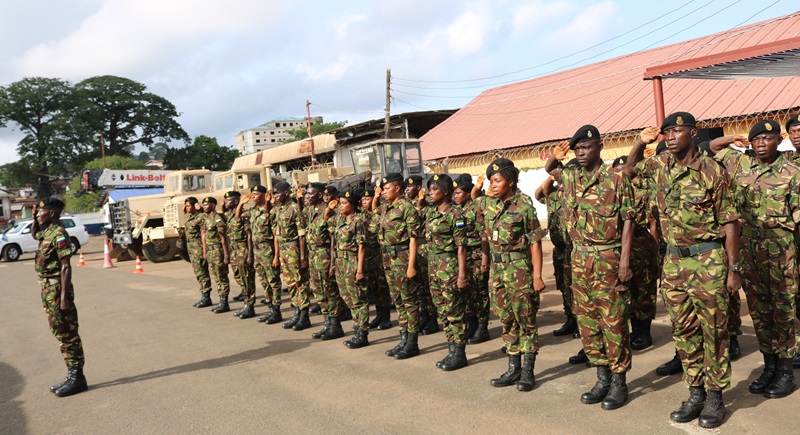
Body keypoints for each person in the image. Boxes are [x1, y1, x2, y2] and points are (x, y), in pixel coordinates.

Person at [628, 112, 739, 428]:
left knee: (714, 329)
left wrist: (733, 269)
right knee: (684, 330)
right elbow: (629, 170)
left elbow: (730, 222)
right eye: (666, 133)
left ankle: (716, 397)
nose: (670, 136)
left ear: (693, 133)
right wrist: (640, 142)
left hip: (709, 259)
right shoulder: (659, 165)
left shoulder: (712, 172)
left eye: (676, 131)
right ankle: (695, 393)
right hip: (675, 261)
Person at [545, 126, 635, 409]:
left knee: (613, 321)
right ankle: (601, 377)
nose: (581, 154)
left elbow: (629, 222)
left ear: (600, 147)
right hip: (579, 259)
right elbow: (550, 169)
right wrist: (554, 156)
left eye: (586, 148)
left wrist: (624, 262)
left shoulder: (615, 179)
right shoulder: (570, 177)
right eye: (577, 150)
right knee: (587, 321)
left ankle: (619, 381)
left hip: (608, 258)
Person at [710, 120, 800, 398]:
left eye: (767, 138)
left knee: (782, 311)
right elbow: (711, 146)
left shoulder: (793, 172)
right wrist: (734, 137)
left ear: (778, 141)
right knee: (759, 312)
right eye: (757, 139)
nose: (761, 143)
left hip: (781, 248)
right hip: (748, 247)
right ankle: (769, 366)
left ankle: (785, 371)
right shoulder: (741, 164)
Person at [482, 158, 547, 392]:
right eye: (491, 181)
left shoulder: (523, 204)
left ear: (510, 181)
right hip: (498, 272)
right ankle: (513, 368)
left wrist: (537, 276)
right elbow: (469, 205)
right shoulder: (489, 205)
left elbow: (535, 243)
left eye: (497, 180)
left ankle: (528, 372)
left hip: (519, 270)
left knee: (525, 319)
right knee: (506, 318)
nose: (493, 184)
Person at [32, 198, 87, 397]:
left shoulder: (59, 234)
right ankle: (71, 374)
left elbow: (66, 266)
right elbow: (34, 234)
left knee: (67, 332)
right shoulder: (47, 232)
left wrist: (64, 297)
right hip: (48, 291)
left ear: (52, 213)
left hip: (57, 291)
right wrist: (34, 219)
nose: (38, 214)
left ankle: (77, 377)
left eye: (41, 212)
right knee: (59, 332)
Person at [421, 174, 470, 370]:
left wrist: (461, 276)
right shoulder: (431, 213)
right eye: (429, 189)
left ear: (447, 191)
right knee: (442, 310)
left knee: (454, 311)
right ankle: (451, 350)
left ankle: (459, 353)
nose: (430, 193)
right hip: (434, 267)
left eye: (435, 189)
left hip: (448, 267)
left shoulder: (455, 215)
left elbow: (461, 248)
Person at [612, 156, 658, 351]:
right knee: (627, 290)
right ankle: (634, 330)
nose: (622, 173)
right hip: (620, 245)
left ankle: (645, 333)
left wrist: (655, 254)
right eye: (618, 170)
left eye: (625, 169)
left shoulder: (643, 192)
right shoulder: (611, 191)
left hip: (640, 243)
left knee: (644, 290)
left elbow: (653, 224)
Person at [376, 173, 423, 359]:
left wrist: (411, 266)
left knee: (409, 300)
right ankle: (403, 339)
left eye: (387, 188)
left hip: (402, 257)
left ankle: (412, 342)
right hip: (388, 258)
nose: (384, 192)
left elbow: (413, 239)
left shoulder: (407, 208)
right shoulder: (386, 207)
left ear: (397, 188)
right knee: (398, 300)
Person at [535, 175, 578, 339]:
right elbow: (539, 193)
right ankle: (570, 320)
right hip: (559, 251)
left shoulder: (574, 197)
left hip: (573, 250)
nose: (561, 185)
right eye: (558, 182)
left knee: (576, 288)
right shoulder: (553, 197)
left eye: (563, 181)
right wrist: (549, 178)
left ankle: (582, 323)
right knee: (564, 286)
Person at [453, 174, 491, 344]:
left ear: (468, 194)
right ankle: (472, 324)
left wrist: (485, 261)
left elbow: (484, 237)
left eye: (458, 193)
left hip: (476, 255)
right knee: (466, 292)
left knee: (480, 292)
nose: (455, 196)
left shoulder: (475, 208)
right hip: (462, 256)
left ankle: (483, 327)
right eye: (454, 193)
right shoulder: (456, 210)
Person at [304, 182, 344, 339]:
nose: (307, 196)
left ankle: (335, 326)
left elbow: (334, 239)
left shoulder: (328, 212)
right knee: (319, 291)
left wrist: (333, 262)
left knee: (330, 291)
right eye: (307, 193)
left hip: (325, 256)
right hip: (314, 256)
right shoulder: (311, 211)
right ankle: (327, 324)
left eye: (310, 194)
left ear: (319, 195)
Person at [331, 189, 371, 348]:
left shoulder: (358, 221)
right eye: (340, 203)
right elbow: (326, 219)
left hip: (353, 262)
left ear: (353, 204)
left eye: (344, 203)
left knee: (358, 299)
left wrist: (360, 270)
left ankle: (362, 333)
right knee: (347, 297)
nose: (340, 206)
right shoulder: (340, 219)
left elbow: (362, 247)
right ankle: (357, 328)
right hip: (341, 263)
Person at [272, 181, 312, 331]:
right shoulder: (279, 209)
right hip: (283, 251)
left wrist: (302, 257)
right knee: (290, 283)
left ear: (287, 192)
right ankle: (297, 312)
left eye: (278, 193)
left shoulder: (295, 209)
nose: (275, 196)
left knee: (300, 283)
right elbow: (276, 232)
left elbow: (302, 235)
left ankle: (304, 316)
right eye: (275, 193)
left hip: (294, 249)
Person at [242, 186, 283, 324]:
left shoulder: (271, 212)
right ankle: (270, 309)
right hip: (257, 251)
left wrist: (276, 256)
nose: (253, 196)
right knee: (264, 282)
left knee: (273, 281)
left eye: (256, 194)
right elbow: (237, 217)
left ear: (264, 195)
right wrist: (241, 203)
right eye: (252, 194)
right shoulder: (253, 211)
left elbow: (275, 235)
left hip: (268, 250)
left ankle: (277, 311)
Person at [407, 175, 440, 335]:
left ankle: (432, 319)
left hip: (426, 247)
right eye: (406, 186)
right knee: (419, 287)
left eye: (411, 186)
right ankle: (423, 316)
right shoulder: (406, 204)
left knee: (428, 287)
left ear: (420, 187)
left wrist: (421, 204)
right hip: (416, 248)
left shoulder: (430, 204)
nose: (407, 188)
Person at [361, 187, 392, 330]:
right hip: (368, 257)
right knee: (373, 288)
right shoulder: (362, 216)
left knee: (382, 288)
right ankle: (379, 315)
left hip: (379, 255)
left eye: (368, 198)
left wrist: (377, 198)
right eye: (363, 199)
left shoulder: (378, 215)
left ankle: (386, 317)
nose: (365, 201)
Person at [224, 191, 256, 319]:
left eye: (228, 200)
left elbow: (249, 235)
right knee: (240, 278)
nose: (226, 203)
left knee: (247, 279)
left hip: (243, 250)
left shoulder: (244, 215)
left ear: (236, 202)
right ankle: (246, 304)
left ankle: (249, 306)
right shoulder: (230, 214)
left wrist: (249, 255)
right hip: (235, 251)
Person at [201, 196, 231, 313]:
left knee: (221, 277)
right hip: (210, 251)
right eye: (203, 205)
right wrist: (205, 251)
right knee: (216, 277)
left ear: (213, 205)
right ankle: (221, 301)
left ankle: (224, 303)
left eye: (206, 204)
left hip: (218, 251)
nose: (204, 206)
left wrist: (226, 255)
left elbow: (223, 239)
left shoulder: (217, 219)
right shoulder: (207, 218)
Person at [184, 196, 213, 308]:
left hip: (198, 249)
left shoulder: (200, 217)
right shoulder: (190, 217)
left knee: (202, 273)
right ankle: (204, 295)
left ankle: (206, 297)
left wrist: (200, 209)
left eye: (188, 206)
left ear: (194, 206)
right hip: (192, 250)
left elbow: (207, 219)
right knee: (198, 273)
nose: (186, 208)